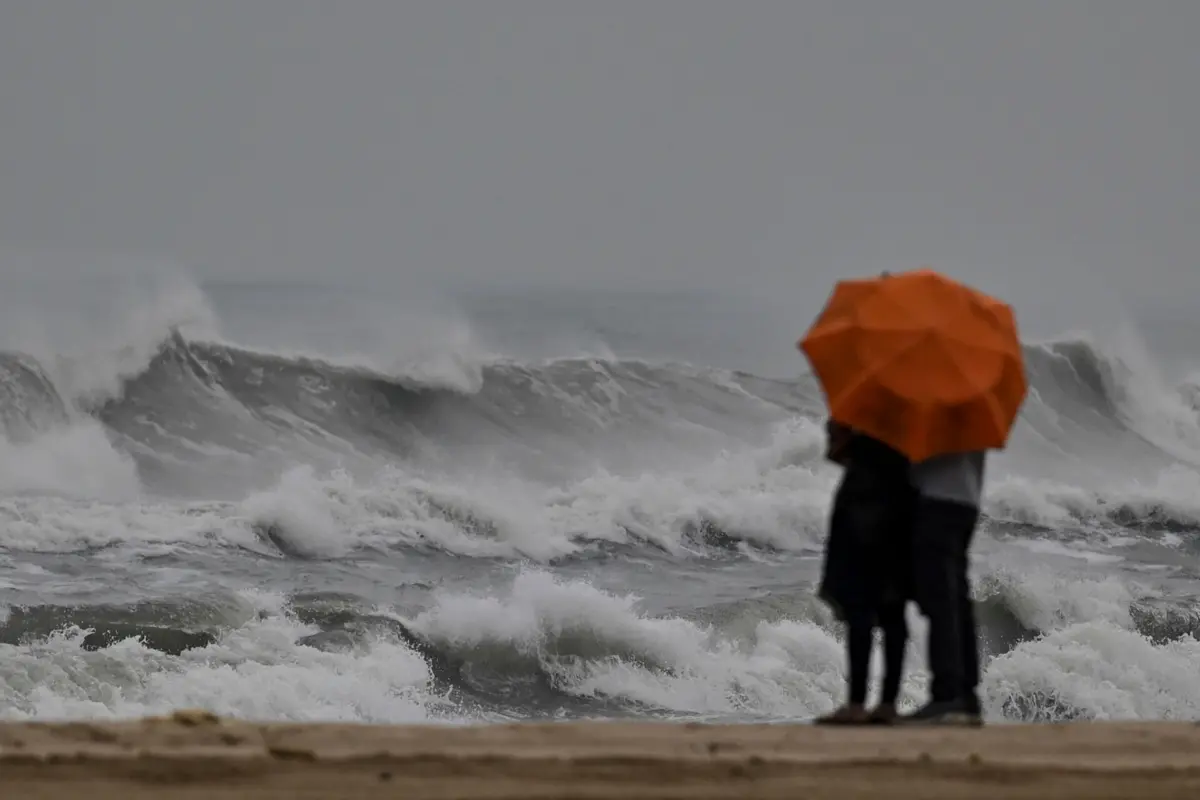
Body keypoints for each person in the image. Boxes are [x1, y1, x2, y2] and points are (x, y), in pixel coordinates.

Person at [814, 419, 918, 725]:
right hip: (898, 519)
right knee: (892, 615)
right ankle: (886, 703)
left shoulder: (866, 420)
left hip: (866, 521)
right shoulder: (906, 425)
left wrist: (842, 436)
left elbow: (837, 451)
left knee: (863, 615)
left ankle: (859, 703)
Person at [899, 450, 987, 726]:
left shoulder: (934, 414)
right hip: (967, 501)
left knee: (941, 599)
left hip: (937, 502)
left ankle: (947, 693)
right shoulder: (973, 410)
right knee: (957, 596)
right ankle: (966, 692)